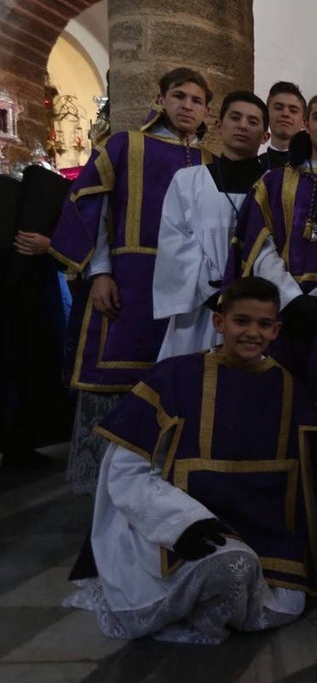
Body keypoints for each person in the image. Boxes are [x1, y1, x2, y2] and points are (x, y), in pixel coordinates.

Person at [65, 277, 317, 644]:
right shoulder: (174, 376)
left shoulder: (288, 388)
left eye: (264, 324)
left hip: (266, 533)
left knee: (286, 605)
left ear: (277, 330)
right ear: (219, 323)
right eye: (241, 321)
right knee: (232, 566)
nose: (252, 333)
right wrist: (181, 523)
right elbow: (126, 469)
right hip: (185, 528)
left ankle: (211, 599)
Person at [50, 67, 213, 494]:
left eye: (196, 101)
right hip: (130, 281)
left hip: (192, 290)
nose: (187, 106)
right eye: (179, 97)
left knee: (181, 380)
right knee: (116, 377)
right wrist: (100, 271)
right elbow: (95, 209)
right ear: (160, 99)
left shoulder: (212, 161)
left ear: (206, 111)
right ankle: (105, 488)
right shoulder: (126, 145)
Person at [229, 90, 317, 417]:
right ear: (305, 124)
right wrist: (292, 298)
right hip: (278, 312)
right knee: (272, 408)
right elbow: (259, 246)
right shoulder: (275, 182)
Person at [153, 90, 271, 360]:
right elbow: (176, 243)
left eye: (253, 122)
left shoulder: (273, 185)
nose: (243, 125)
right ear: (219, 125)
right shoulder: (187, 180)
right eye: (236, 117)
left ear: (265, 136)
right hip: (201, 308)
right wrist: (212, 293)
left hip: (257, 310)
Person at [2, 166, 73, 469]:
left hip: (25, 297)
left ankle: (20, 440)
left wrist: (50, 246)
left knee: (25, 362)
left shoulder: (20, 191)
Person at [261, 81, 307, 169]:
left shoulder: (314, 168)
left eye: (293, 110)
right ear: (266, 115)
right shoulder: (253, 167)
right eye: (278, 108)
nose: (285, 114)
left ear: (304, 122)